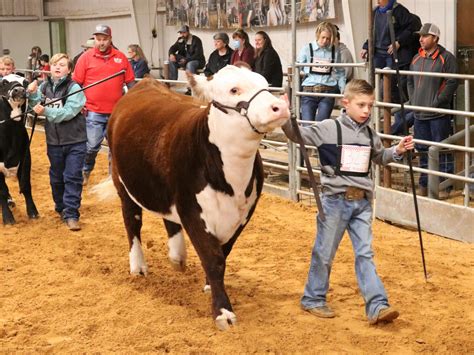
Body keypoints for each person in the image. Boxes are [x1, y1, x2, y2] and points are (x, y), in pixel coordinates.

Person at [282, 79, 414, 324]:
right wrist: (285, 115)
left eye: (370, 106)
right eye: (361, 105)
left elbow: (379, 157)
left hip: (362, 203)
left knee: (365, 253)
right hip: (334, 201)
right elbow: (295, 134)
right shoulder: (327, 128)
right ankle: (313, 298)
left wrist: (397, 150)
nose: (366, 110)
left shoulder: (370, 134)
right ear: (346, 103)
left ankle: (377, 306)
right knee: (324, 252)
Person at [27, 53, 87, 231]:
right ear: (49, 68)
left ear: (69, 70)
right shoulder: (44, 86)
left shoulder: (74, 88)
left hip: (75, 140)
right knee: (56, 178)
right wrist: (31, 95)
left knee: (73, 177)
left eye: (62, 65)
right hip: (53, 142)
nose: (57, 67)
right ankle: (61, 207)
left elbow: (68, 112)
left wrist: (45, 111)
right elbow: (35, 104)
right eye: (54, 64)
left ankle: (71, 214)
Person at [73, 24, 135, 185]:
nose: (101, 42)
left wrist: (133, 103)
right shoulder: (85, 58)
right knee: (92, 146)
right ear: (94, 39)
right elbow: (76, 84)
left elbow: (131, 83)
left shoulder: (121, 58)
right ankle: (86, 169)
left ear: (110, 39)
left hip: (117, 112)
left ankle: (112, 178)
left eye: (104, 39)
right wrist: (79, 103)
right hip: (94, 110)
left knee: (116, 148)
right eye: (98, 39)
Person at [407, 23, 458, 196]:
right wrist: (414, 99)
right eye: (420, 36)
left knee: (441, 149)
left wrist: (438, 101)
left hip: (438, 114)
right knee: (422, 150)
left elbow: (452, 82)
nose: (420, 39)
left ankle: (443, 186)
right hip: (419, 114)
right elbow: (409, 81)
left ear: (435, 38)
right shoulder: (416, 58)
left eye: (425, 36)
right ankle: (424, 184)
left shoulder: (447, 58)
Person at [360, 0, 418, 103]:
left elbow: (411, 28)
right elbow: (372, 32)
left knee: (392, 85)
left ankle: (397, 110)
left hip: (392, 54)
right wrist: (366, 46)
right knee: (374, 84)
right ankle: (384, 110)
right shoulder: (375, 12)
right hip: (378, 54)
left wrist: (399, 42)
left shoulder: (400, 10)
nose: (377, 1)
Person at [298, 21, 345, 122]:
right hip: (309, 90)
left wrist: (343, 89)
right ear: (318, 35)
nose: (325, 41)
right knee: (307, 125)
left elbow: (340, 71)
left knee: (321, 125)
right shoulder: (307, 49)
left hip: (327, 91)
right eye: (323, 37)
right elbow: (298, 66)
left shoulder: (335, 51)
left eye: (328, 39)